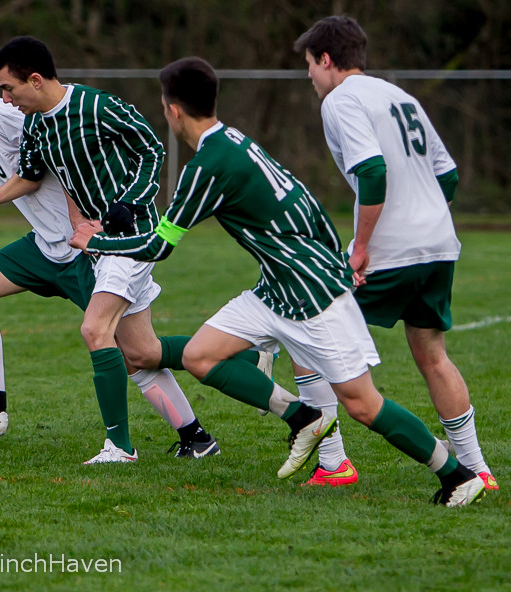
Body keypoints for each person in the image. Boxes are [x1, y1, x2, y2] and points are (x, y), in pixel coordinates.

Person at [70, 56, 486, 506]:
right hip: (276, 289)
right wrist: (335, 255)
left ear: (172, 110)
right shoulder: (237, 141)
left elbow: (159, 246)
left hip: (309, 296)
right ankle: (302, 417)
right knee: (199, 356)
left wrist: (99, 243)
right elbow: (306, 202)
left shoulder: (207, 165)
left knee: (363, 404)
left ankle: (457, 474)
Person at [0, 57, 221, 462]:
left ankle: (199, 425)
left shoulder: (7, 117)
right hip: (43, 248)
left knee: (136, 354)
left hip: (79, 253)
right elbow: (33, 175)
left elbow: (66, 149)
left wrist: (80, 217)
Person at [293, 15, 497, 491]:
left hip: (391, 248)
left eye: (309, 64)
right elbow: (448, 176)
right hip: (439, 243)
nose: (308, 76)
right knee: (432, 354)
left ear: (326, 60)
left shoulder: (340, 99)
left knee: (306, 334)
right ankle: (479, 470)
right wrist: (423, 218)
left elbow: (373, 172)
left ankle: (333, 463)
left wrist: (362, 247)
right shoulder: (399, 95)